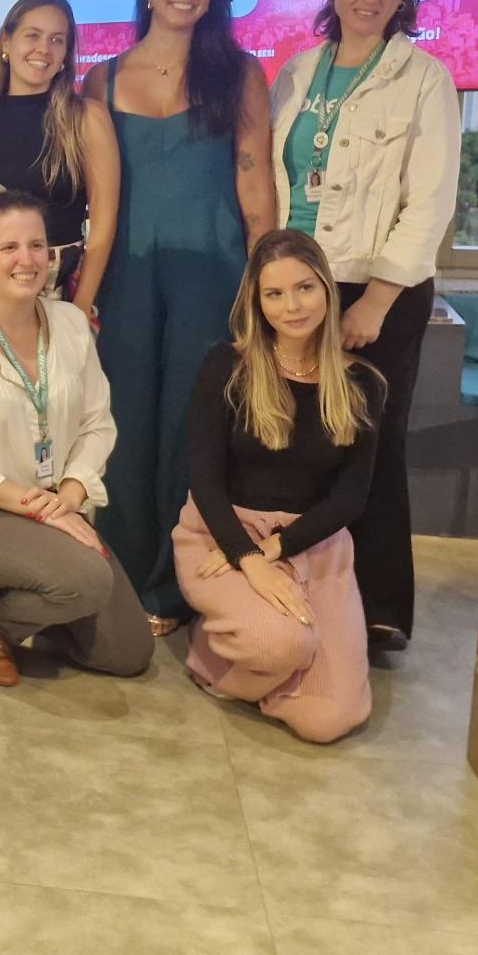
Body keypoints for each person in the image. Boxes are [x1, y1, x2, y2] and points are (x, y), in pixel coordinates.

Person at [269, 0, 460, 652]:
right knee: (292, 442)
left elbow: (431, 202)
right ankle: (293, 588)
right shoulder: (296, 71)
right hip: (298, 284)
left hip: (378, 291)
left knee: (367, 444)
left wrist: (376, 300)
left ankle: (379, 606)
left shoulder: (424, 78)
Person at [89, 0, 276, 633]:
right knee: (124, 421)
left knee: (189, 426)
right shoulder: (101, 79)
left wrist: (263, 287)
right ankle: (120, 574)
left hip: (213, 271)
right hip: (127, 276)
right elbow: (88, 192)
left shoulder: (240, 74)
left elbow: (255, 187)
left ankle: (176, 586)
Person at [0, 190, 153, 688]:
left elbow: (97, 424)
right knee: (86, 580)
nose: (27, 260)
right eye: (9, 247)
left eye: (37, 245)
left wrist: (70, 495)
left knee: (129, 650)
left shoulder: (71, 324)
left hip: (50, 502)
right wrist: (39, 508)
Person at [174, 230, 383, 743]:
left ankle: (267, 656)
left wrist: (278, 549)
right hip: (223, 537)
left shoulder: (363, 384)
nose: (292, 306)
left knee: (330, 721)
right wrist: (249, 557)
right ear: (257, 301)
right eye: (274, 293)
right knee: (282, 645)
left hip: (314, 545)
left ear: (327, 288)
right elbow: (204, 477)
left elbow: (350, 497)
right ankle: (218, 654)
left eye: (304, 288)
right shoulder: (227, 366)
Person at [0, 0, 115, 313]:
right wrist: (9, 229)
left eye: (57, 40)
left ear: (66, 54)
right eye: (32, 35)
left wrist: (81, 305)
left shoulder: (87, 119)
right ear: (6, 43)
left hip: (61, 286)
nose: (44, 49)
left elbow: (103, 225)